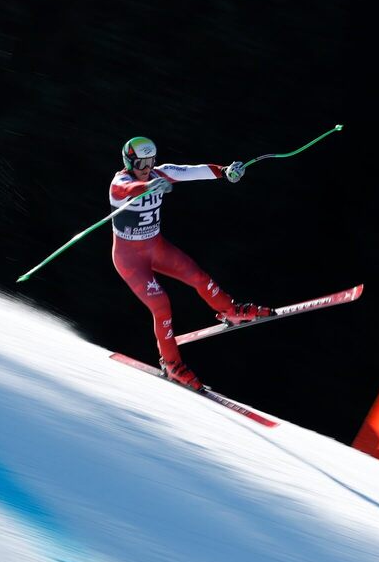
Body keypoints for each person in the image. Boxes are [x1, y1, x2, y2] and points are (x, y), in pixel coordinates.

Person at [110, 136, 272, 391]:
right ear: (129, 163)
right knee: (161, 305)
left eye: (151, 161)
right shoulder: (122, 182)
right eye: (141, 162)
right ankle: (172, 364)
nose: (147, 166)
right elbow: (126, 191)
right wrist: (149, 186)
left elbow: (191, 171)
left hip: (155, 247)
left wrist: (225, 171)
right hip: (130, 259)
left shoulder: (159, 173)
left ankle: (230, 310)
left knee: (197, 276)